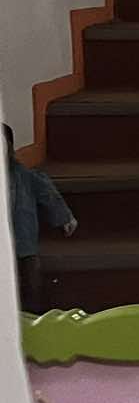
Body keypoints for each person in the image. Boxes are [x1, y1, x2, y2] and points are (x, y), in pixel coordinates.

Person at [6, 124, 76, 309]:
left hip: (24, 241)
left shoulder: (24, 175)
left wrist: (64, 217)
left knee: (32, 279)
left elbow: (47, 194)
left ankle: (34, 309)